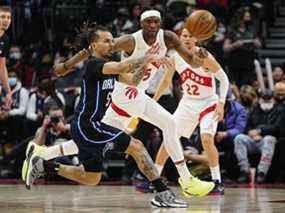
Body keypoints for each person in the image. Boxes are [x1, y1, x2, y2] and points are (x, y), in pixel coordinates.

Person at [23, 23, 187, 208]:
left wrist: (149, 63)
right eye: (107, 41)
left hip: (88, 126)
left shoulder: (109, 67)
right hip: (89, 126)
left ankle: (43, 165)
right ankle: (162, 193)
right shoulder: (95, 64)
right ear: (94, 46)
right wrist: (147, 55)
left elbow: (133, 80)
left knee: (92, 178)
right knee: (137, 147)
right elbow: (122, 65)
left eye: (112, 40)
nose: (112, 44)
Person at [150, 28, 229, 195]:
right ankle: (155, 179)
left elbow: (223, 79)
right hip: (188, 103)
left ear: (197, 39)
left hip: (208, 102)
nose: (186, 39)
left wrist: (221, 103)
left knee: (206, 139)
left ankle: (217, 181)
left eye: (190, 36)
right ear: (179, 38)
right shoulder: (175, 57)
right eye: (184, 36)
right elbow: (165, 82)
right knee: (168, 138)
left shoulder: (204, 56)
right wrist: (151, 102)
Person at [0, 6, 12, 108]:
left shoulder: (5, 39)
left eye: (8, 17)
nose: (6, 20)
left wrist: (8, 92)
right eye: (3, 17)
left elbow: (2, 67)